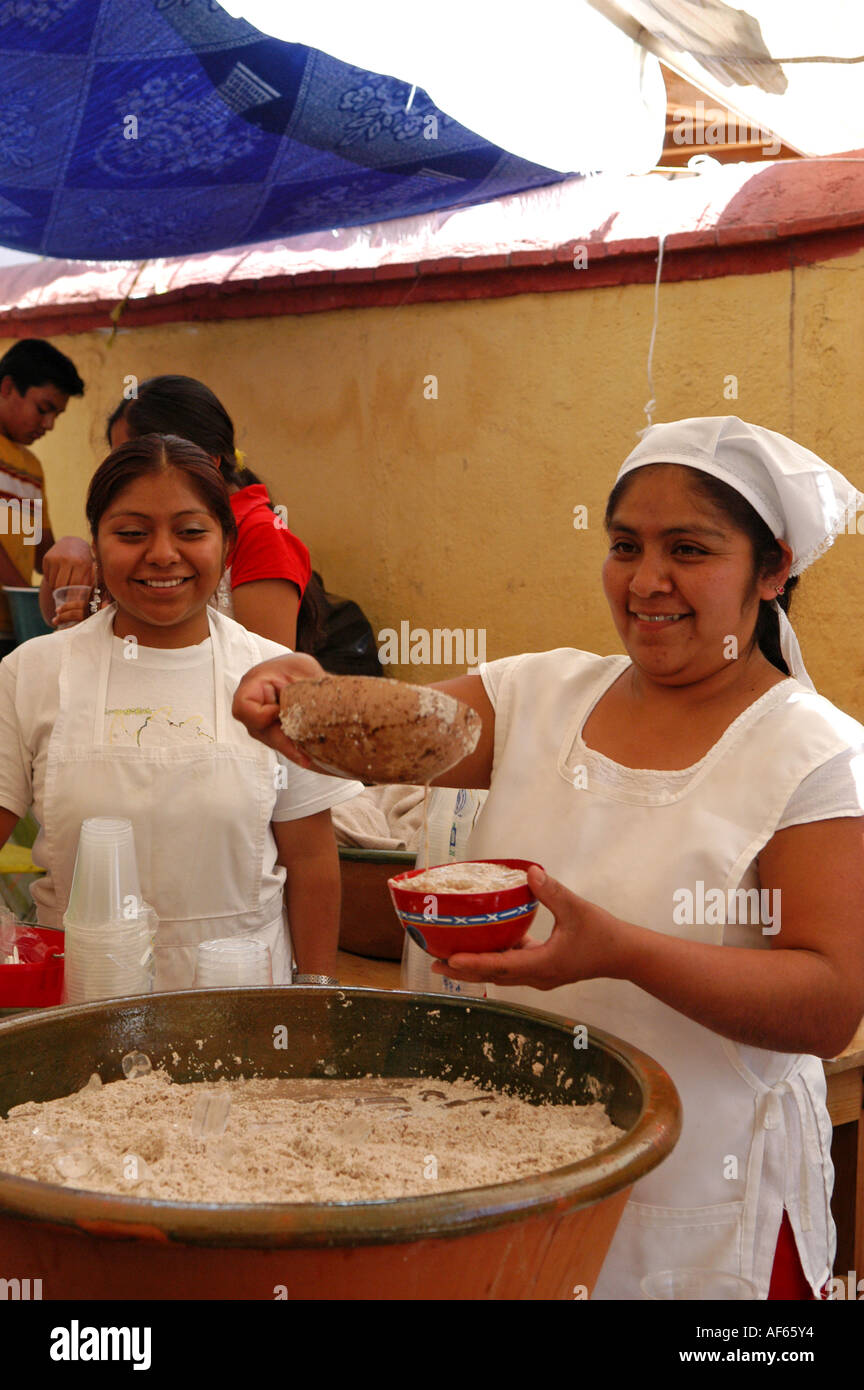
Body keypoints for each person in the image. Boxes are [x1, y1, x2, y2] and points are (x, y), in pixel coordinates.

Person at [231, 416, 864, 1300]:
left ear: (773, 568)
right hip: (523, 1177)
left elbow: (829, 1003)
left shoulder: (813, 753)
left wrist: (621, 951)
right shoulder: (536, 695)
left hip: (711, 1197)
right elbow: (374, 738)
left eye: (689, 549)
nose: (648, 581)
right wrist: (291, 696)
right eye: (624, 545)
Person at [0, 433, 362, 990]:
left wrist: (314, 1003)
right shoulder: (34, 672)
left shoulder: (279, 676)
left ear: (227, 543)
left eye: (191, 531)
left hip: (245, 1004)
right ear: (95, 542)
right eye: (131, 533)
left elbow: (313, 865)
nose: (163, 554)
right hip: (81, 1004)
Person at [0, 339, 90, 647]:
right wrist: (24, 595)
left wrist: (81, 561)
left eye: (57, 415)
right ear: (7, 388)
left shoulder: (30, 468)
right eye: (43, 409)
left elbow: (42, 551)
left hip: (12, 627)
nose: (49, 424)